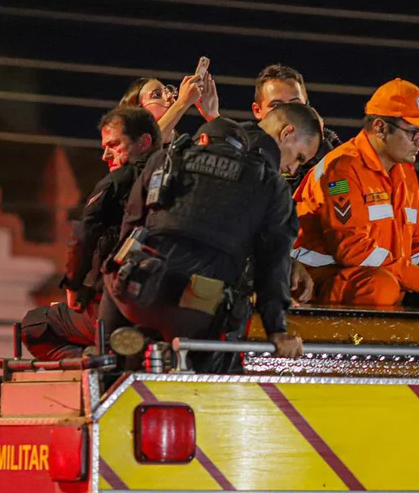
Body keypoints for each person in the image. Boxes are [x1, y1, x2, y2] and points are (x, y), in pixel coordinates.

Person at [102, 107, 322, 358]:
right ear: (287, 133)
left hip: (133, 296)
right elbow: (273, 264)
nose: (293, 169)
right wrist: (277, 330)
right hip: (195, 311)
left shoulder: (167, 157)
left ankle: (108, 361)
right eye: (300, 158)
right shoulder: (270, 185)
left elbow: (129, 231)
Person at [293, 78, 419, 306]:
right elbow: (351, 248)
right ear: (380, 128)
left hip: (373, 277)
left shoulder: (404, 171)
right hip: (313, 280)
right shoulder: (342, 169)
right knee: (382, 287)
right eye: (414, 133)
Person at [21, 107, 160, 360]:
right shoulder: (177, 180)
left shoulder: (119, 180)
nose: (105, 155)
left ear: (144, 142)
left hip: (115, 306)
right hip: (167, 310)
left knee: (35, 326)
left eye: (114, 145)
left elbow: (84, 234)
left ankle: (93, 363)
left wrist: (73, 285)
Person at [251, 64, 342, 191]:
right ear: (257, 110)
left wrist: (319, 145)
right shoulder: (243, 145)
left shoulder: (329, 144)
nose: (289, 113)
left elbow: (341, 192)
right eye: (276, 105)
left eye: (295, 104)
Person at [121, 60, 219, 143]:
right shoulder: (135, 150)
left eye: (169, 91)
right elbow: (153, 142)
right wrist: (183, 101)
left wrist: (213, 116)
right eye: (157, 95)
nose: (170, 96)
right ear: (138, 111)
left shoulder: (187, 148)